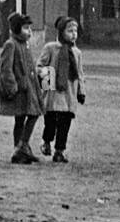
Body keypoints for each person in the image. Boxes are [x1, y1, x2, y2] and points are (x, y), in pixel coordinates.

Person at [0, 11, 44, 164]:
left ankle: (22, 146)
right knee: (22, 118)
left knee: (32, 114)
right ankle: (20, 148)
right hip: (20, 90)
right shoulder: (11, 45)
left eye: (30, 28)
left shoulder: (25, 45)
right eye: (25, 28)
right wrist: (12, 86)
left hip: (29, 88)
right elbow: (5, 68)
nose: (29, 32)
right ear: (16, 29)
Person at [37, 16, 86, 163]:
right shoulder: (51, 48)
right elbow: (40, 66)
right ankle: (46, 141)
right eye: (70, 31)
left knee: (65, 124)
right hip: (53, 94)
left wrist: (81, 91)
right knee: (50, 123)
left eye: (75, 31)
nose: (73, 34)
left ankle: (60, 151)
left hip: (69, 94)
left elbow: (80, 74)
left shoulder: (77, 53)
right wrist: (47, 82)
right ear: (61, 32)